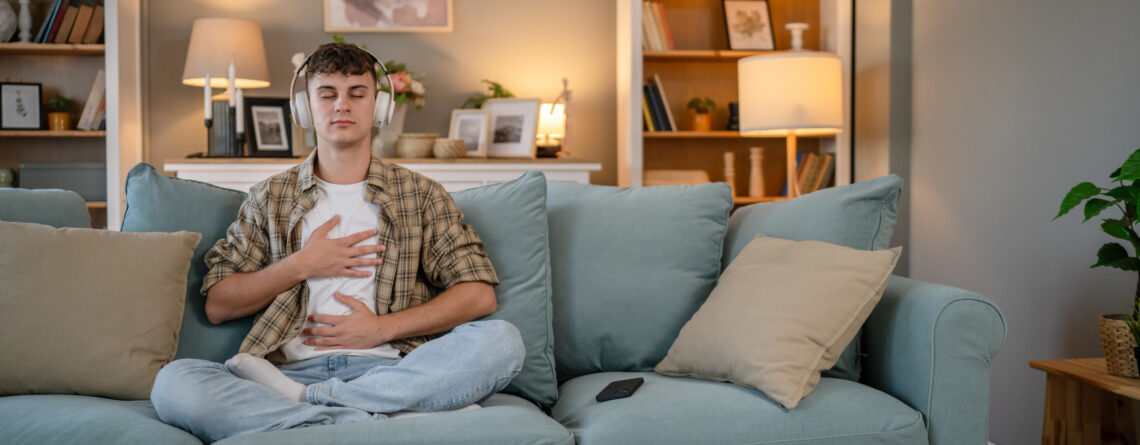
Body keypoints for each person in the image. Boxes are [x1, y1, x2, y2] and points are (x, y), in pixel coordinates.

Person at [150, 42, 525, 442]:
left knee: (502, 340)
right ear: (304, 108)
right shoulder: (271, 197)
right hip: (284, 372)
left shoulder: (421, 194)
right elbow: (219, 304)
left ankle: (315, 402)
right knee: (174, 383)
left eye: (356, 94)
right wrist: (302, 264)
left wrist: (380, 329)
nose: (341, 105)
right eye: (327, 94)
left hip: (394, 371)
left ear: (378, 108)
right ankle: (381, 416)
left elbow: (479, 296)